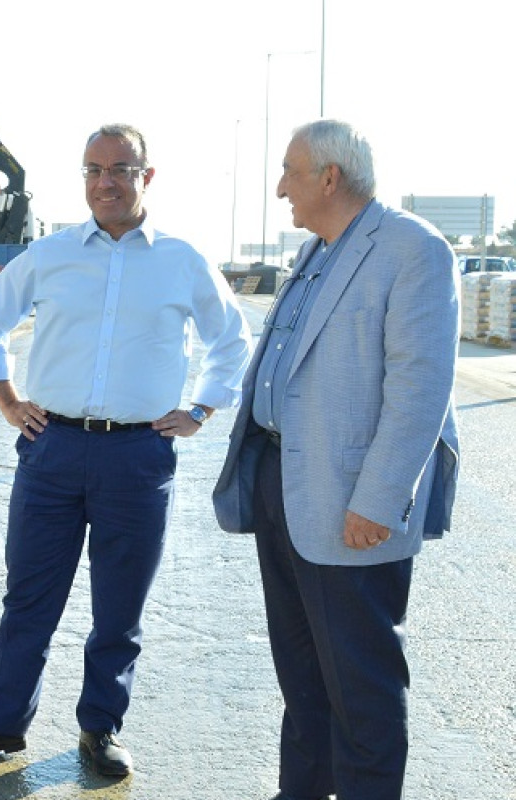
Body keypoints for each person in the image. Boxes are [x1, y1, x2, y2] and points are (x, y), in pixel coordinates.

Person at [0, 124, 252, 777]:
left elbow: (232, 341)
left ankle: (100, 729)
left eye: (120, 169)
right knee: (29, 599)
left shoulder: (182, 261)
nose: (105, 182)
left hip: (138, 457)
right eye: (93, 169)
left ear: (146, 177)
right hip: (50, 449)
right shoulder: (50, 256)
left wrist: (200, 409)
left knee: (120, 605)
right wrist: (7, 401)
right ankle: (1, 726)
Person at [212, 119, 458, 800]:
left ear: (329, 176)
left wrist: (378, 500)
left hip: (352, 502)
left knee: (362, 688)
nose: (280, 185)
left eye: (290, 170)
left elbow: (419, 388)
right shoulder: (318, 251)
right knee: (304, 678)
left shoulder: (412, 249)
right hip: (283, 486)